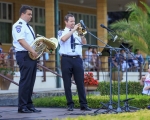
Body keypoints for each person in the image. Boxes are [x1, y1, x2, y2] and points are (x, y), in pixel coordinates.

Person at [58, 14, 91, 111]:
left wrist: (81, 34)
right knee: (67, 83)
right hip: (66, 59)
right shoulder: (61, 32)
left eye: (74, 21)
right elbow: (63, 39)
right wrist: (73, 30)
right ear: (66, 22)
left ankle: (83, 105)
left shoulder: (78, 32)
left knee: (80, 82)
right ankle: (70, 104)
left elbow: (84, 43)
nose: (73, 23)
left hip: (77, 59)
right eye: (71, 21)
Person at [12, 5, 41, 113]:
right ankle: (22, 106)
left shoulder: (29, 27)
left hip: (31, 55)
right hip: (24, 54)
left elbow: (31, 42)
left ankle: (29, 104)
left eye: (31, 14)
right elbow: (21, 41)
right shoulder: (18, 25)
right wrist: (33, 51)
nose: (31, 16)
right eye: (29, 14)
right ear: (22, 14)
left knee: (31, 81)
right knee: (25, 81)